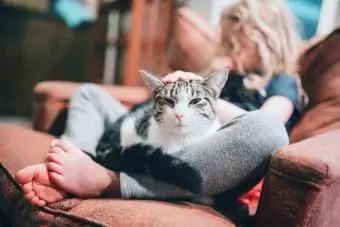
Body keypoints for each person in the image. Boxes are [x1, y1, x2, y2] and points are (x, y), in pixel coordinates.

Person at [15, 0, 302, 210]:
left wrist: (208, 96)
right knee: (89, 94)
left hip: (210, 157)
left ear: (267, 40)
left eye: (236, 44)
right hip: (157, 132)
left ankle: (109, 181)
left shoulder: (281, 81)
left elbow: (272, 120)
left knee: (269, 129)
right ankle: (74, 163)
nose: (229, 52)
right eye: (225, 43)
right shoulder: (225, 71)